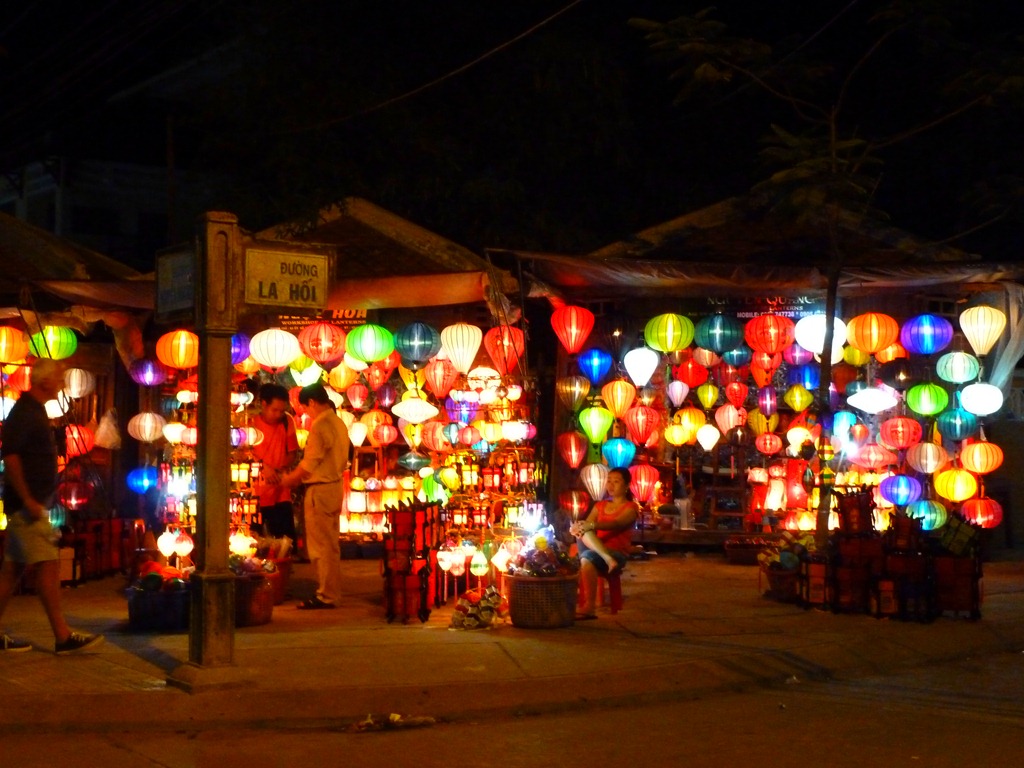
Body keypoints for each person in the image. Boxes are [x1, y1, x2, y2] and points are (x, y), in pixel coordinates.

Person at [0, 359, 104, 654]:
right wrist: (29, 499)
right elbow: (12, 458)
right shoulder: (25, 413)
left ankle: (61, 636)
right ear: (45, 382)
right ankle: (62, 636)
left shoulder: (34, 412)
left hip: (32, 504)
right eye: (58, 379)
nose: (61, 385)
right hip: (27, 506)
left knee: (13, 570)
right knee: (47, 565)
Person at [279, 382, 349, 609]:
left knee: (321, 546)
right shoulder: (339, 423)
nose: (305, 414)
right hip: (335, 487)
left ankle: (326, 594)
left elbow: (309, 465)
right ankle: (332, 591)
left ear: (311, 402)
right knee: (331, 545)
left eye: (305, 408)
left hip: (320, 488)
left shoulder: (320, 426)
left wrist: (288, 480)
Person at [570, 467, 639, 620]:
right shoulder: (600, 505)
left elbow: (617, 523)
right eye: (609, 481)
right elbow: (587, 526)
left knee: (586, 557)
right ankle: (607, 559)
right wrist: (577, 527)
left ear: (627, 486)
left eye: (616, 481)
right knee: (583, 532)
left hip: (617, 554)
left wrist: (592, 526)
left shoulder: (631, 508)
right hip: (598, 552)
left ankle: (589, 607)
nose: (611, 485)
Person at [252, 383, 299, 542]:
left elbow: (292, 453)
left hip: (280, 492)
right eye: (275, 410)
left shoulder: (287, 421)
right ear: (264, 404)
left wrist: (281, 470)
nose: (278, 414)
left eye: (281, 410)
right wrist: (263, 468)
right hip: (255, 493)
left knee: (284, 543)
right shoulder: (251, 423)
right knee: (254, 542)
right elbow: (241, 454)